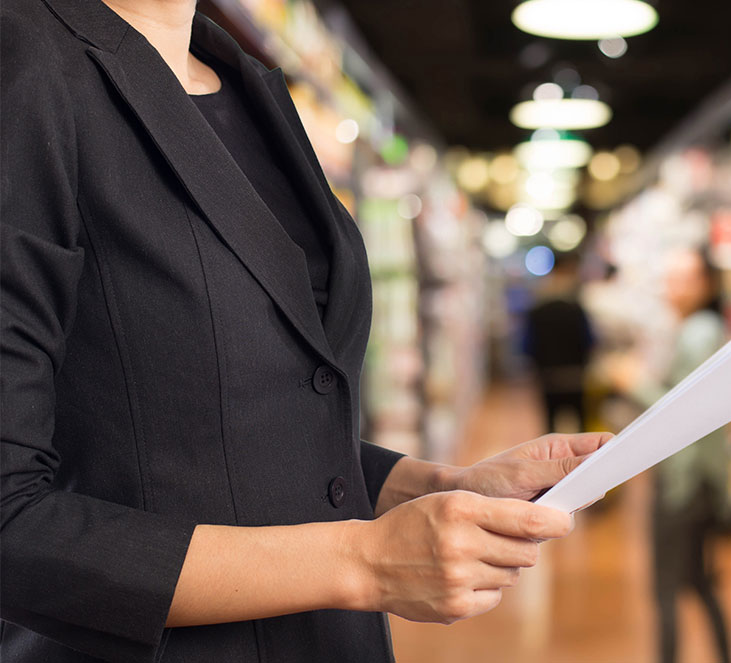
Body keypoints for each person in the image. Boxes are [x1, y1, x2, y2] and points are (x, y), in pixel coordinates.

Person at [0, 1, 606, 661]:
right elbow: (12, 518)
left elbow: (243, 428)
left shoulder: (246, 82)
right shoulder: (24, 59)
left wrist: (434, 486)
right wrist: (364, 559)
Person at [611, 248, 731, 663]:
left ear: (707, 285)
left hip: (685, 480)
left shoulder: (698, 333)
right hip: (698, 478)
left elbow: (684, 413)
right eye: (669, 278)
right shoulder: (697, 329)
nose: (671, 287)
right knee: (699, 581)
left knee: (666, 586)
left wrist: (634, 382)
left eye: (683, 279)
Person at [523, 253, 595, 432]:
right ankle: (586, 460)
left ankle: (549, 459)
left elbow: (527, 345)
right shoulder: (577, 309)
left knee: (550, 425)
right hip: (576, 376)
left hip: (548, 376)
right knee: (581, 424)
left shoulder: (537, 310)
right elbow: (590, 340)